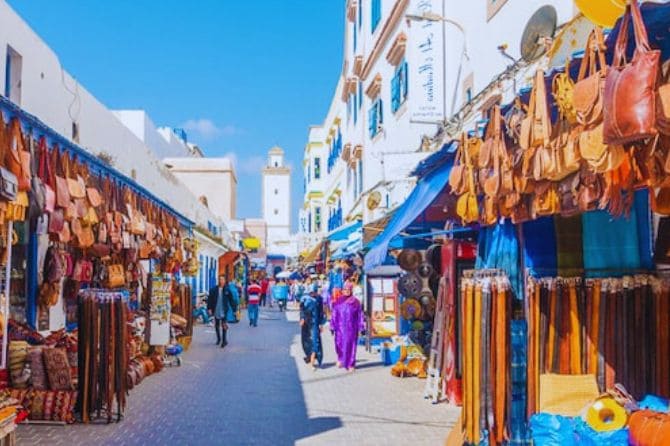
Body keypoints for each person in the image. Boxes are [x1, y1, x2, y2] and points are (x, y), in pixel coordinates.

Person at [331, 281, 363, 371]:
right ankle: (340, 359)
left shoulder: (355, 302)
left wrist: (361, 327)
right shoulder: (338, 301)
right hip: (339, 328)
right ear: (342, 290)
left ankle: (350, 364)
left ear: (351, 290)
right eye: (345, 289)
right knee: (339, 344)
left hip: (351, 328)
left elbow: (360, 315)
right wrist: (332, 326)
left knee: (350, 345)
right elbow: (334, 314)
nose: (347, 291)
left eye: (348, 289)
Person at [300, 282, 326, 370]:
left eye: (314, 292)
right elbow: (302, 310)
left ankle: (312, 363)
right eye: (311, 292)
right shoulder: (304, 299)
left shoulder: (319, 299)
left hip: (315, 323)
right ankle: (309, 356)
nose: (313, 294)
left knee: (315, 342)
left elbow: (321, 312)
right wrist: (302, 318)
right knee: (306, 342)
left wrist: (321, 324)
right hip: (306, 324)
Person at [207, 275, 237, 348]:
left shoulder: (227, 290)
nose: (221, 281)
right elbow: (210, 300)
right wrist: (209, 308)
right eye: (220, 279)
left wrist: (234, 310)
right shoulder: (213, 290)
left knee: (224, 324)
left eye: (223, 279)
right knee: (217, 325)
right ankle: (218, 338)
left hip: (224, 310)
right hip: (216, 309)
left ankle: (224, 340)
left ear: (225, 280)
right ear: (218, 280)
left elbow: (231, 300)